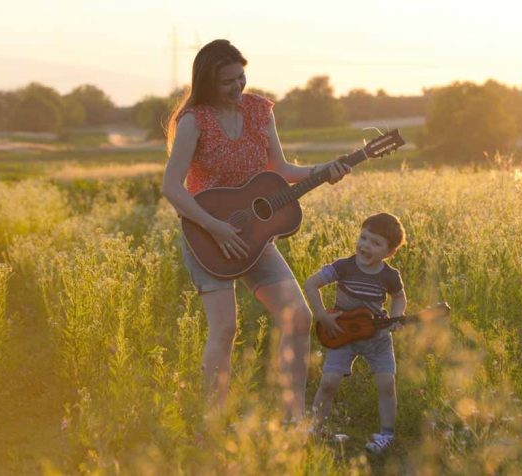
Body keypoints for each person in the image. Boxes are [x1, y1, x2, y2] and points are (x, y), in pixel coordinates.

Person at [162, 39, 350, 420]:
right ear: (207, 82)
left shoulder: (260, 110)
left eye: (241, 76)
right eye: (227, 81)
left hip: (255, 237)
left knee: (297, 315)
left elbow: (279, 169)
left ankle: (292, 418)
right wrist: (216, 228)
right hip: (208, 236)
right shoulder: (194, 121)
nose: (238, 86)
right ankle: (212, 425)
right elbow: (171, 187)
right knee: (225, 328)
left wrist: (321, 171)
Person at [305, 212, 407, 453]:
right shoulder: (344, 266)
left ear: (389, 252)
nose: (366, 246)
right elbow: (311, 283)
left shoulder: (390, 276)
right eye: (364, 238)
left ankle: (386, 435)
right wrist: (320, 314)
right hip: (342, 335)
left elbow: (399, 297)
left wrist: (396, 318)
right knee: (328, 382)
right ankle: (315, 429)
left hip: (378, 338)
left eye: (375, 243)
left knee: (386, 384)